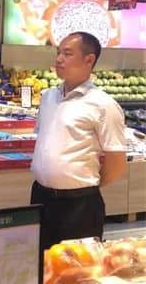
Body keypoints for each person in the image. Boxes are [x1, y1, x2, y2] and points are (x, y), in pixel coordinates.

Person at [30, 31, 126, 249]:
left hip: (80, 205)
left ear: (89, 59)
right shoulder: (48, 97)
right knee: (40, 261)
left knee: (79, 265)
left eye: (67, 53)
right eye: (58, 52)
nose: (59, 59)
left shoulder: (103, 104)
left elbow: (117, 163)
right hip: (41, 198)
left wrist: (83, 186)